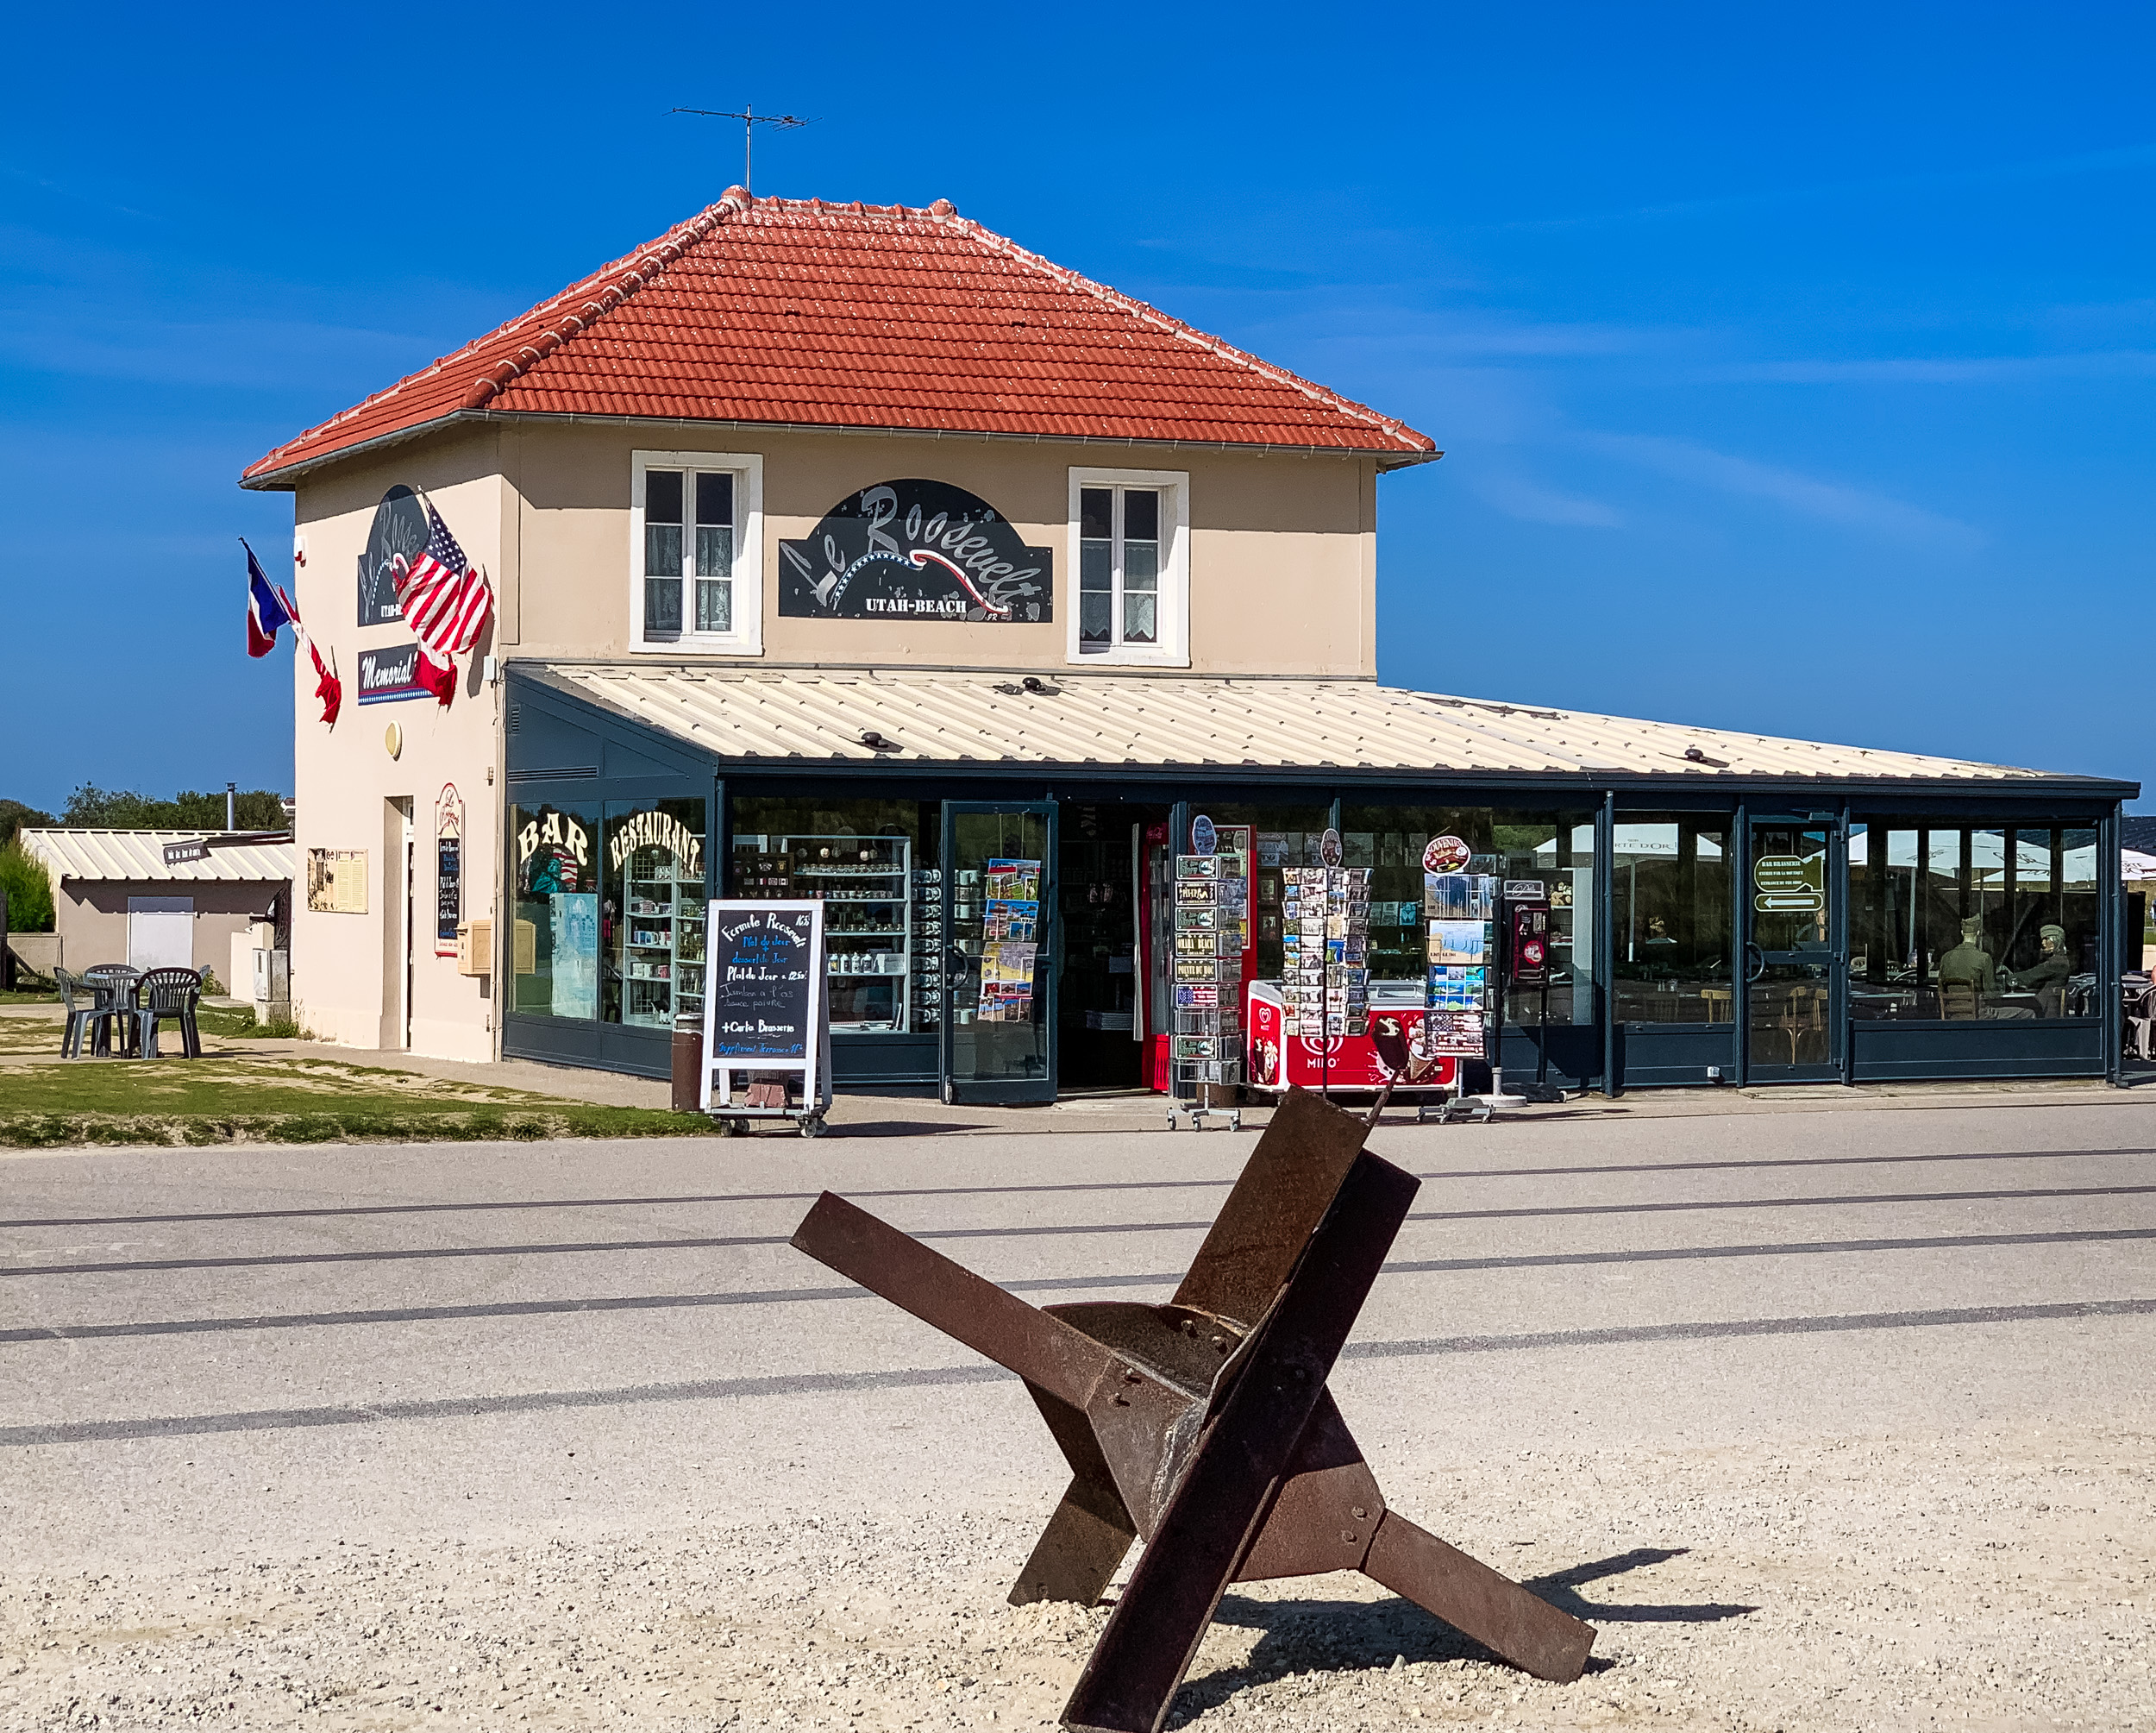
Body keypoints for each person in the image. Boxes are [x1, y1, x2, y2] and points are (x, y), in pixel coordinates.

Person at [1934, 916, 1996, 1017]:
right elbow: (1991, 994)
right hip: (1978, 1015)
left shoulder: (1946, 958)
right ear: (1978, 933)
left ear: (1962, 933)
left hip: (1952, 1014)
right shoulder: (1984, 958)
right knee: (2026, 1013)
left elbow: (1940, 990)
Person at [2009, 924, 2073, 1016]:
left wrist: (2003, 978)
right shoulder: (2057, 961)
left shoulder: (2057, 963)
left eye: (2046, 939)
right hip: (2043, 1006)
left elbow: (2029, 976)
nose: (2043, 943)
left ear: (2056, 940)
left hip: (2046, 1011)